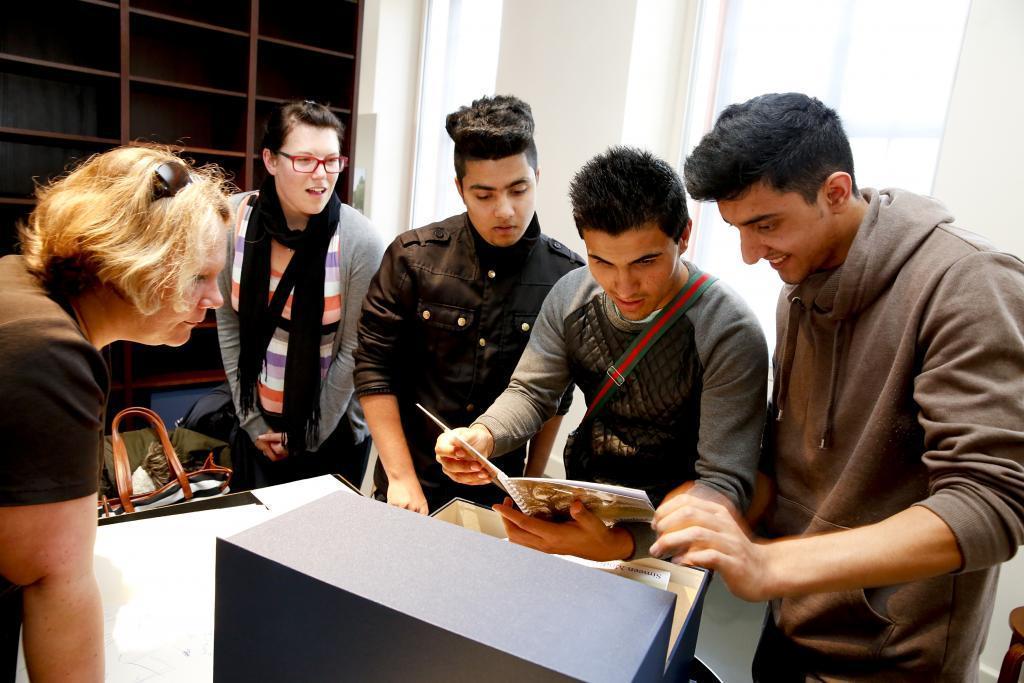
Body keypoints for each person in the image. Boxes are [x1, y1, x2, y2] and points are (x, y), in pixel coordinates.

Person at [652, 92, 1024, 681]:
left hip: (895, 658)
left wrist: (770, 566)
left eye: (765, 225)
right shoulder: (797, 285)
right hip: (788, 632)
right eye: (737, 230)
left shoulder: (969, 283)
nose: (750, 255)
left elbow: (990, 506)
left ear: (835, 191)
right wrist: (712, 511)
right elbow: (804, 473)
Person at [435, 146, 768, 561]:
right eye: (602, 261)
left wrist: (624, 545)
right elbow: (532, 391)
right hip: (586, 508)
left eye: (645, 261)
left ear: (683, 235)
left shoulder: (728, 330)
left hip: (676, 536)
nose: (623, 286)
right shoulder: (572, 294)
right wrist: (483, 435)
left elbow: (723, 484)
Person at [0, 145, 230, 681]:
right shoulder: (49, 349)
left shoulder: (18, 282)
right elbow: (52, 578)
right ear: (136, 263)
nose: (215, 298)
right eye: (199, 276)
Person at [354, 94, 583, 514]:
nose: (506, 211)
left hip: (505, 498)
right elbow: (373, 369)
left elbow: (557, 393)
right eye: (484, 195)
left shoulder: (567, 275)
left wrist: (531, 487)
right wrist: (401, 480)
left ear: (537, 176)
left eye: (519, 189)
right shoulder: (412, 258)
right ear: (460, 189)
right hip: (412, 483)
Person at [216, 100, 384, 491]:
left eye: (331, 161)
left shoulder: (360, 241)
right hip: (255, 424)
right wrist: (253, 422)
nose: (322, 176)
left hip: (330, 430)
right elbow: (228, 323)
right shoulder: (230, 221)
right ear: (271, 160)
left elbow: (353, 350)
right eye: (305, 160)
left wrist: (308, 436)